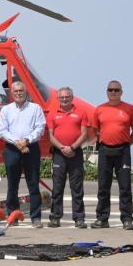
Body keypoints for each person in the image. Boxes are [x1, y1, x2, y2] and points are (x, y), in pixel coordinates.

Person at [91, 80, 133, 230]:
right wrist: (105, 140)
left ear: (121, 92)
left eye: (116, 90)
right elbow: (95, 130)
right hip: (105, 150)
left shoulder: (129, 109)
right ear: (107, 92)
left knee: (125, 186)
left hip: (123, 151)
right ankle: (102, 218)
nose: (113, 92)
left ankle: (127, 219)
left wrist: (126, 144)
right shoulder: (99, 109)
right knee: (103, 186)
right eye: (110, 90)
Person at [0, 81, 47, 228]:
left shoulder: (35, 108)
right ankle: (13, 216)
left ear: (26, 92)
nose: (19, 93)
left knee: (33, 185)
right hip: (12, 149)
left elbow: (40, 128)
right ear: (11, 93)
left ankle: (36, 217)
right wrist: (18, 143)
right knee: (12, 185)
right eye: (16, 91)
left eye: (21, 91)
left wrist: (26, 141)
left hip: (31, 149)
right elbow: (3, 131)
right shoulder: (6, 110)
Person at [46, 87, 89, 228]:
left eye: (67, 97)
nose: (64, 99)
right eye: (62, 97)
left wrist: (72, 147)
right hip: (59, 153)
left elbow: (84, 134)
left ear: (72, 97)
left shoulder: (81, 113)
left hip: (75, 153)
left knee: (77, 187)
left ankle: (79, 218)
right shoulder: (53, 114)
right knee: (57, 187)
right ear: (58, 98)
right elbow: (51, 136)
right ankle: (55, 217)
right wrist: (62, 148)